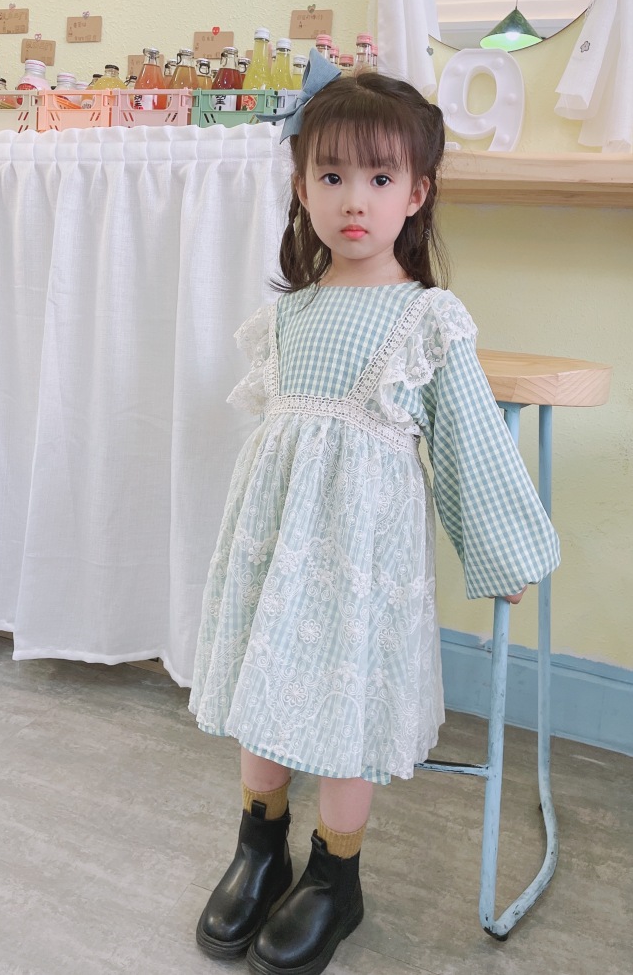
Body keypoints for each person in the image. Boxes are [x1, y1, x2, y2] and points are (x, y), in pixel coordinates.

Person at [188, 50, 560, 975]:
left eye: (380, 178)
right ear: (302, 188)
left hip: (361, 559)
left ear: (417, 193)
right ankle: (259, 843)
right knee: (265, 694)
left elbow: (470, 441)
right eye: (331, 176)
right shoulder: (285, 318)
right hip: (278, 550)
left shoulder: (425, 318)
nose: (354, 198)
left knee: (346, 712)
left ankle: (335, 874)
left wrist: (501, 551)